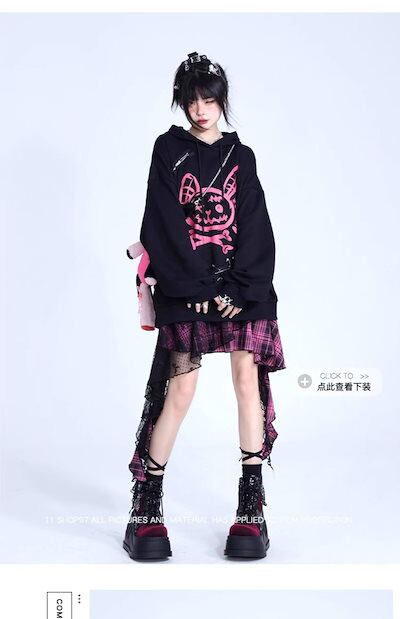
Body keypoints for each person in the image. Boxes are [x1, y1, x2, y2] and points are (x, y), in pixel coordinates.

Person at [123, 51, 286, 562]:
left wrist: (238, 288)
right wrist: (193, 284)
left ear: (222, 101)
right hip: (185, 286)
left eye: (209, 100)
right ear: (182, 102)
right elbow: (161, 220)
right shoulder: (167, 149)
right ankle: (146, 507)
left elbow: (256, 225)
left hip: (241, 290)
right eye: (191, 100)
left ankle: (251, 509)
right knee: (180, 390)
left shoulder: (242, 156)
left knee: (246, 381)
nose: (200, 109)